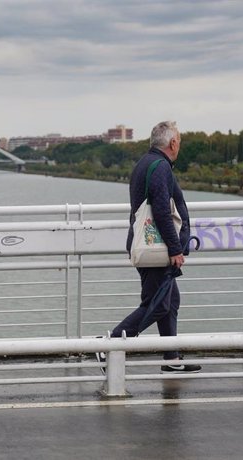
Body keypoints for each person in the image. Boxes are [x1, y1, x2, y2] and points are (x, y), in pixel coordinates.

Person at [99, 121, 201, 374]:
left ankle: (171, 357)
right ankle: (109, 345)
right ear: (173, 143)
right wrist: (176, 248)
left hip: (150, 245)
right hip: (157, 249)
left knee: (170, 301)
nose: (180, 145)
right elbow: (162, 212)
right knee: (156, 304)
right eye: (179, 141)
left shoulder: (147, 162)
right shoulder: (159, 167)